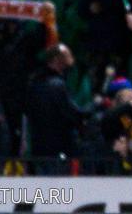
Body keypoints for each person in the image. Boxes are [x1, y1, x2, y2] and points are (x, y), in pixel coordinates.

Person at [26, 44, 87, 172]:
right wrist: (94, 107)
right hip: (57, 149)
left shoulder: (35, 83)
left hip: (39, 148)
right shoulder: (56, 85)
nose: (72, 59)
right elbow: (72, 113)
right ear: (56, 60)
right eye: (68, 56)